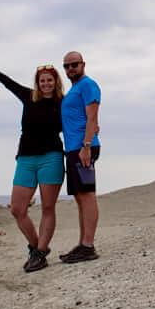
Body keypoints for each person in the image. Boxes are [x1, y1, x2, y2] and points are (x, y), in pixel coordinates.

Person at [0, 52, 64, 273]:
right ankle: (35, 247)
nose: (46, 84)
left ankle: (41, 253)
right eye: (42, 80)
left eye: (49, 80)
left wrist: (90, 138)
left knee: (47, 207)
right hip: (25, 158)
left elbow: (78, 122)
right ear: (38, 83)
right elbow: (6, 82)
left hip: (51, 158)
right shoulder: (28, 96)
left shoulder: (63, 103)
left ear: (56, 82)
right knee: (17, 209)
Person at [58, 51, 102, 263]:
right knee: (80, 197)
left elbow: (93, 117)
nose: (70, 69)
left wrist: (86, 145)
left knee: (87, 195)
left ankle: (88, 246)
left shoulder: (88, 85)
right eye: (66, 66)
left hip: (83, 149)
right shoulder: (75, 89)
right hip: (73, 149)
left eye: (74, 65)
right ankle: (83, 243)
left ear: (83, 64)